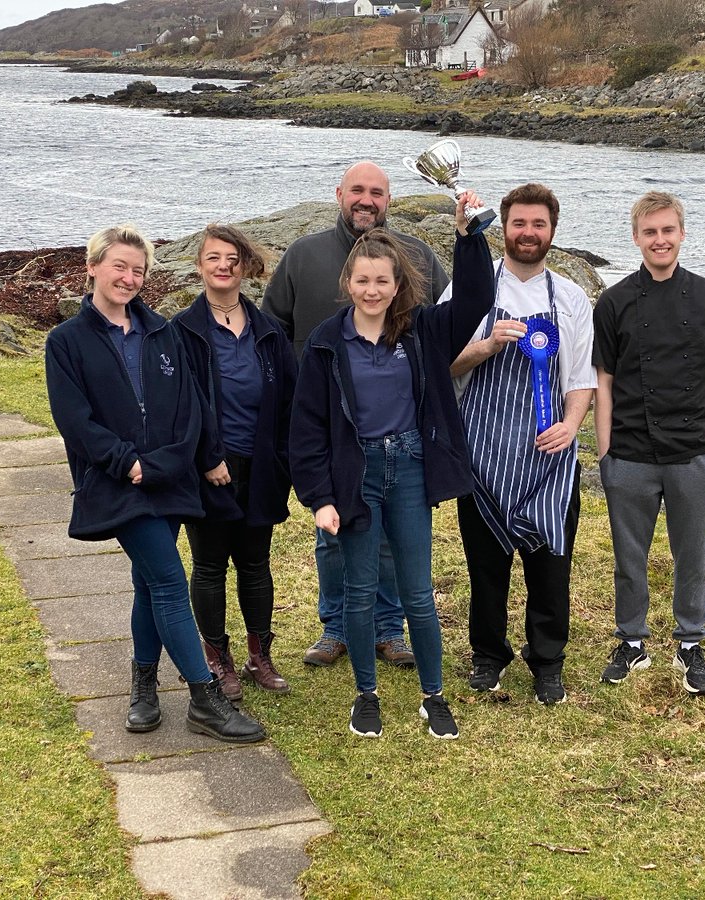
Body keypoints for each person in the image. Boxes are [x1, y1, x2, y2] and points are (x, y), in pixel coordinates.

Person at [45, 224, 265, 742]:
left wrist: (191, 457)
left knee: (148, 584)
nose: (128, 277)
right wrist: (128, 464)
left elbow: (191, 404)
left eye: (137, 270)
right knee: (168, 581)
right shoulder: (66, 341)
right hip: (118, 483)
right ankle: (204, 699)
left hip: (169, 478)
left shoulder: (162, 332)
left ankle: (144, 687)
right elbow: (74, 421)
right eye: (118, 266)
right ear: (93, 267)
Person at [289, 194, 493, 739]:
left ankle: (434, 696)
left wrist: (468, 235)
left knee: (418, 592)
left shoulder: (423, 330)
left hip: (409, 468)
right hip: (355, 476)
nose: (373, 291)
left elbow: (477, 297)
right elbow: (307, 428)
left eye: (383, 281)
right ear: (348, 284)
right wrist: (320, 498)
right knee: (358, 591)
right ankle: (366, 694)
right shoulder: (327, 343)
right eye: (363, 281)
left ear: (398, 285)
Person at [263, 161, 450, 670]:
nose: (366, 200)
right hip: (329, 429)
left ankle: (390, 630)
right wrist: (290, 402)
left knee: (391, 539)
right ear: (339, 195)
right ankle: (335, 626)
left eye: (377, 193)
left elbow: (446, 328)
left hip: (399, 435)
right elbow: (272, 329)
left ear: (390, 200)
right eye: (357, 191)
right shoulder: (303, 255)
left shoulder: (419, 256)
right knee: (333, 535)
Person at [445, 183, 595, 705]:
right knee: (485, 566)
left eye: (539, 225)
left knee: (551, 563)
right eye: (519, 223)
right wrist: (485, 345)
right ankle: (488, 657)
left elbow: (581, 378)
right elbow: (444, 365)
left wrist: (572, 425)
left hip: (550, 456)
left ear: (552, 231)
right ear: (502, 227)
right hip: (483, 452)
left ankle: (547, 661)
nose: (528, 233)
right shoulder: (468, 290)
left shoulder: (572, 299)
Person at [592, 192, 705, 696]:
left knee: (692, 556)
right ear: (636, 237)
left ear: (681, 233)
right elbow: (604, 382)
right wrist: (605, 454)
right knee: (628, 556)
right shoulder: (614, 301)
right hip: (631, 455)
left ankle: (690, 644)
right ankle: (632, 641)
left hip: (693, 454)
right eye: (649, 232)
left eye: (667, 230)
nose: (659, 240)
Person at [173, 224, 298, 702]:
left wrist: (282, 462)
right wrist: (207, 457)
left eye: (232, 258)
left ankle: (259, 657)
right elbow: (178, 405)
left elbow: (289, 400)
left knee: (255, 564)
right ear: (199, 265)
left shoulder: (268, 331)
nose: (223, 266)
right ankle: (217, 661)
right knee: (208, 567)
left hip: (261, 466)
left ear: (245, 266)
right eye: (213, 258)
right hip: (208, 470)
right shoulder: (182, 330)